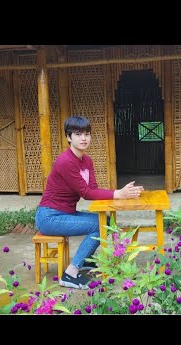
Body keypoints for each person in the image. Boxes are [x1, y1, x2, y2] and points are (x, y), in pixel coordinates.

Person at [35, 115, 144, 290]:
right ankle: (70, 273)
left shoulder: (86, 160)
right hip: (49, 216)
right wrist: (119, 193)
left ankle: (84, 260)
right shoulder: (65, 161)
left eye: (87, 133)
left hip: (65, 213)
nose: (84, 138)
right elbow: (86, 193)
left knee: (105, 222)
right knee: (100, 225)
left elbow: (93, 187)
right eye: (78, 134)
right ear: (69, 137)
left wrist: (120, 194)